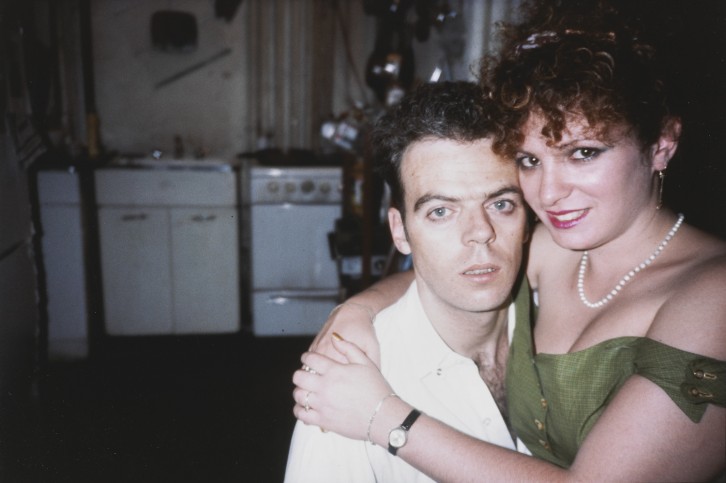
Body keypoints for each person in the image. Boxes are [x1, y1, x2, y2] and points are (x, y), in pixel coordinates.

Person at [291, 1, 726, 481]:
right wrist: (357, 313)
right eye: (529, 160)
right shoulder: (555, 247)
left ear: (662, 144)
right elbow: (459, 261)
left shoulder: (713, 294)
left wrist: (385, 419)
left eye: (583, 153)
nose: (549, 192)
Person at [285, 81, 532, 482]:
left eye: (501, 204)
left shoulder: (562, 323)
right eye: (441, 212)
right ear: (399, 231)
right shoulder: (348, 383)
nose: (480, 233)